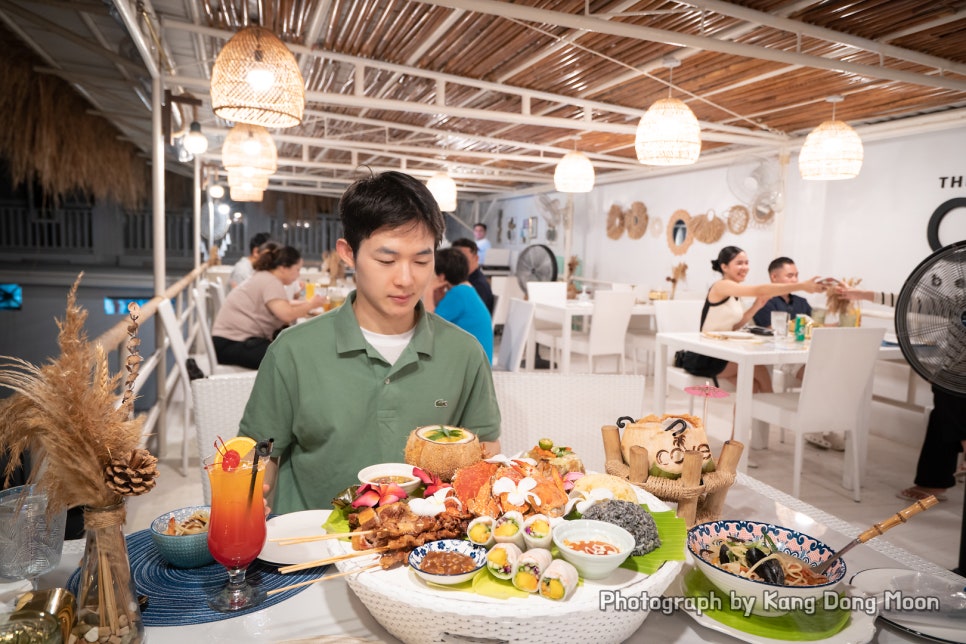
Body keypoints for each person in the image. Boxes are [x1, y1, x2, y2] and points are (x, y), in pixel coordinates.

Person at [237, 171, 502, 513]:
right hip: (315, 550)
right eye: (386, 260)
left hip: (427, 552)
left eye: (422, 260)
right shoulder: (293, 351)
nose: (406, 279)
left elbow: (486, 453)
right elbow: (260, 452)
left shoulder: (464, 353)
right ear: (348, 254)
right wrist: (249, 494)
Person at [837, 287, 966, 502]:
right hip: (953, 374)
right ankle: (933, 482)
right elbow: (912, 302)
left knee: (946, 398)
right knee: (943, 409)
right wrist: (863, 294)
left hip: (955, 380)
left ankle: (935, 480)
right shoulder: (958, 302)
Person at [680, 246, 825, 393]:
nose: (745, 267)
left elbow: (735, 326)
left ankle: (755, 413)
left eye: (747, 263)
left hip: (723, 351)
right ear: (724, 267)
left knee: (753, 389)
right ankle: (770, 409)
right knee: (757, 368)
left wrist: (756, 306)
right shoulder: (721, 286)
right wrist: (801, 286)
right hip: (707, 355)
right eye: (739, 263)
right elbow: (757, 290)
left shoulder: (735, 291)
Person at [211, 243, 326, 369]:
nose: (298, 275)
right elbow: (286, 314)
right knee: (291, 358)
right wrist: (311, 305)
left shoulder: (265, 277)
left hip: (227, 342)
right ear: (283, 268)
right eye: (297, 269)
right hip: (230, 344)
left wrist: (310, 304)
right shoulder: (270, 281)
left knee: (290, 348)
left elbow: (283, 304)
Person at [424, 247, 494, 363]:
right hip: (478, 364)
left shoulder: (457, 294)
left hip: (472, 370)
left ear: (441, 277)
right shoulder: (465, 290)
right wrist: (437, 300)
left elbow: (427, 328)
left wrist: (429, 291)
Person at [752, 257, 813, 327]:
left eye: (796, 275)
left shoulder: (802, 302)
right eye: (790, 276)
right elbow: (772, 330)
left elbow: (812, 326)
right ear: (774, 277)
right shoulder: (764, 301)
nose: (795, 280)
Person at [451, 237, 494, 313]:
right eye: (455, 258)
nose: (458, 262)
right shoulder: (460, 281)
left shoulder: (478, 285)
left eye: (463, 258)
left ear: (476, 258)